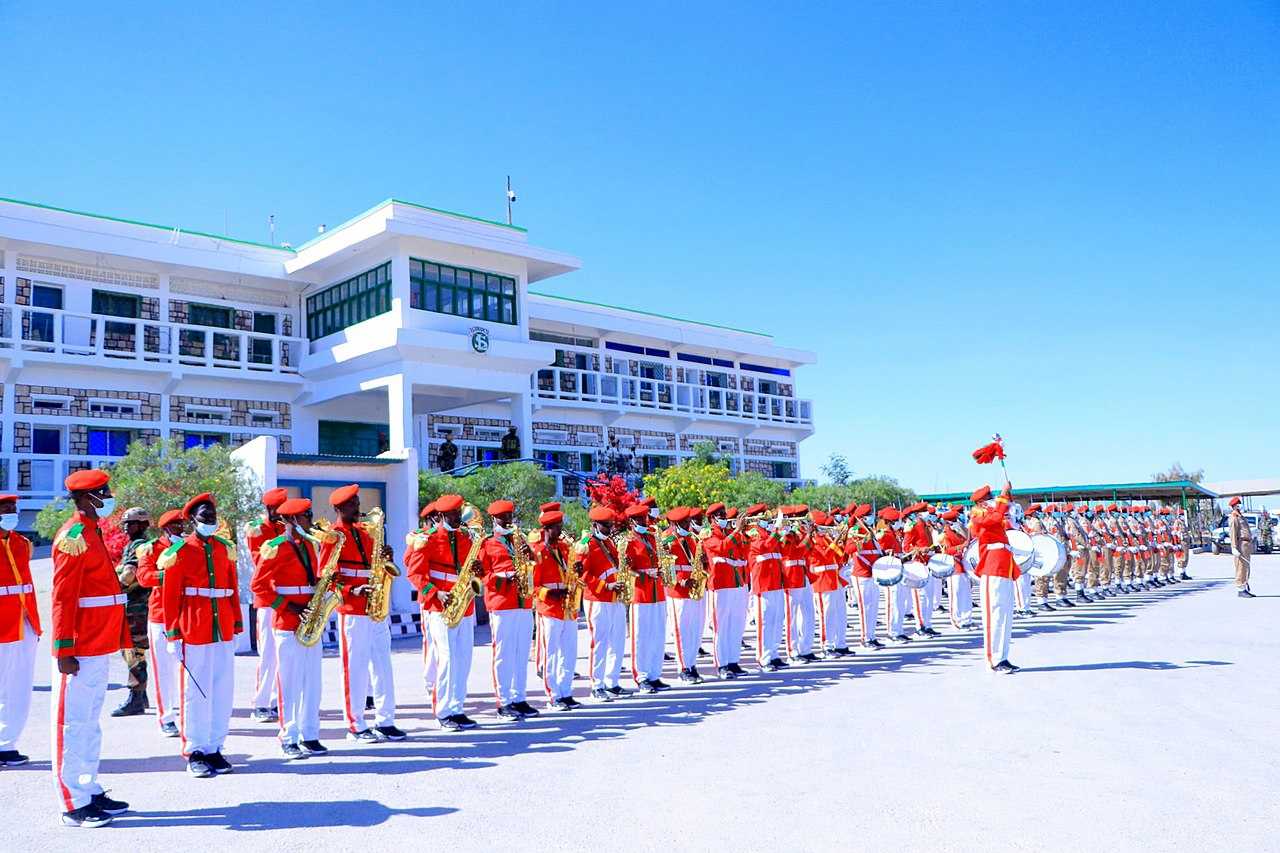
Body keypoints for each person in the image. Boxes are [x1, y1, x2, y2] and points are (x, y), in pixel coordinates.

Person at [50, 468, 131, 827]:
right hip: (81, 643)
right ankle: (73, 801)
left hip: (100, 640)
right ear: (86, 498)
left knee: (89, 723)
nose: (109, 496)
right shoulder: (75, 535)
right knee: (73, 723)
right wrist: (64, 648)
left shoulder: (93, 531)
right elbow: (63, 596)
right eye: (104, 491)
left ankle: (88, 787)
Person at [160, 493, 242, 777]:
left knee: (221, 689)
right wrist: (172, 634)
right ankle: (194, 749)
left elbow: (232, 587)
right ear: (192, 520)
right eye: (205, 517)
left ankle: (214, 747)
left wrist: (237, 623)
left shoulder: (224, 548)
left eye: (213, 517)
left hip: (222, 628)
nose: (210, 521)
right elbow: (170, 597)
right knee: (195, 692)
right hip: (194, 626)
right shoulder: (179, 552)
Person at [323, 485, 405, 742]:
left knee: (383, 665)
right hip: (353, 609)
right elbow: (326, 577)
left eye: (357, 503)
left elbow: (375, 565)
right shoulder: (333, 536)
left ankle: (385, 720)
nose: (358, 508)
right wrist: (352, 589)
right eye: (351, 505)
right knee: (355, 668)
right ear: (338, 509)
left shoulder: (365, 532)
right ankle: (355, 723)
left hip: (376, 608)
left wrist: (385, 558)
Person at [251, 497, 328, 759]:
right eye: (307, 515)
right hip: (288, 619)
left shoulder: (309, 544)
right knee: (290, 681)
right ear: (293, 520)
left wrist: (324, 585)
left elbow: (311, 578)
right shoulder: (274, 547)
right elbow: (258, 586)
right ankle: (288, 736)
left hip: (311, 619)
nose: (311, 519)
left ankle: (310, 734)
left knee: (312, 681)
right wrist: (287, 606)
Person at [405, 494, 478, 731]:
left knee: (463, 658)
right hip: (439, 605)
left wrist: (479, 569)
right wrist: (435, 593)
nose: (459, 518)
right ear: (443, 516)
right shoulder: (427, 539)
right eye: (455, 515)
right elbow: (415, 574)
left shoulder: (466, 538)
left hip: (463, 604)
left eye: (460, 513)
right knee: (446, 658)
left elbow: (472, 569)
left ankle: (457, 707)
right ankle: (443, 710)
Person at [477, 499, 539, 719]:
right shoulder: (487, 543)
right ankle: (503, 702)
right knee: (504, 653)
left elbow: (534, 562)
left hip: (523, 602)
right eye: (503, 518)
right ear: (494, 519)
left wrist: (529, 554)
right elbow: (481, 573)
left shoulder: (518, 538)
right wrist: (501, 579)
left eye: (510, 517)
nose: (508, 521)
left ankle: (519, 698)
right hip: (501, 602)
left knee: (521, 652)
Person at [134, 509, 185, 737]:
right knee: (164, 669)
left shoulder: (188, 547)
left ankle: (187, 712)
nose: (181, 530)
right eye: (176, 526)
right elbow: (144, 577)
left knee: (185, 668)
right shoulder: (152, 549)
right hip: (161, 615)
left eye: (182, 525)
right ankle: (166, 717)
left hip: (186, 614)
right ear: (166, 528)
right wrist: (170, 576)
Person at [0, 493, 39, 767]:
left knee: (19, 687)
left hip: (25, 622)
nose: (12, 512)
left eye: (13, 507)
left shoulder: (23, 543)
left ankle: (6, 743)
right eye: (5, 508)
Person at [576, 505, 630, 700]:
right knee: (599, 643)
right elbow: (583, 574)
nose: (610, 528)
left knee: (617, 641)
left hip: (615, 597)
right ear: (595, 525)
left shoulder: (610, 543)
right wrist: (605, 587)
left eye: (611, 524)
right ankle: (596, 685)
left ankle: (612, 682)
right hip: (597, 598)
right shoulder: (586, 544)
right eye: (606, 525)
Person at [245, 487, 288, 723]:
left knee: (284, 653)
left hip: (288, 595)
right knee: (268, 653)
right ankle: (261, 703)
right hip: (268, 598)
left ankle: (276, 700)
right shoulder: (257, 529)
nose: (280, 514)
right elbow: (260, 559)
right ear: (269, 509)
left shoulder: (284, 528)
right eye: (276, 510)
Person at [533, 510, 581, 709]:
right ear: (546, 529)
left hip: (568, 606)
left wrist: (578, 570)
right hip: (549, 607)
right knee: (551, 653)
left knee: (569, 652)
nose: (560, 531)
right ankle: (553, 695)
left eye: (561, 526)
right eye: (557, 528)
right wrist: (548, 593)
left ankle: (565, 691)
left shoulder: (564, 547)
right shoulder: (537, 551)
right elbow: (532, 585)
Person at [970, 483, 1019, 673]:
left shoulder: (993, 513)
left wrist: (1007, 497)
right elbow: (995, 517)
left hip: (1004, 566)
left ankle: (1003, 657)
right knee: (994, 615)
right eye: (989, 497)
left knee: (1005, 615)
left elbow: (1005, 516)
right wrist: (1003, 496)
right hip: (992, 567)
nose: (993, 499)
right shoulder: (978, 515)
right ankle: (994, 659)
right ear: (981, 502)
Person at [111, 507, 152, 717]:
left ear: (143, 525)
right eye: (125, 523)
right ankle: (141, 695)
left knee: (133, 651)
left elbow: (129, 575)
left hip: (137, 607)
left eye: (132, 523)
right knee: (136, 651)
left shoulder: (139, 545)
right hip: (137, 607)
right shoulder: (135, 545)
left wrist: (109, 587)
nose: (126, 527)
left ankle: (135, 697)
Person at [703, 504, 751, 677]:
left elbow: (746, 550)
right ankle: (721, 664)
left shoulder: (732, 533)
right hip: (720, 586)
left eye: (724, 514)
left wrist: (742, 532)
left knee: (736, 626)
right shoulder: (708, 535)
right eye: (720, 515)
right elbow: (722, 547)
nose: (724, 517)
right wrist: (736, 531)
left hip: (738, 584)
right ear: (712, 519)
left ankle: (733, 661)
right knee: (721, 627)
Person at [747, 504, 788, 671]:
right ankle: (763, 658)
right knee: (764, 623)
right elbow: (763, 547)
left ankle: (774, 654)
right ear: (756, 519)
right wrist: (776, 531)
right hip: (763, 584)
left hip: (776, 582)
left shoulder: (771, 534)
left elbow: (782, 551)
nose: (768, 520)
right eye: (764, 518)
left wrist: (783, 534)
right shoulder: (753, 533)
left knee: (777, 620)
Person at [780, 505, 819, 662]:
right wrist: (807, 535)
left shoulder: (799, 534)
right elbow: (796, 551)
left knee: (809, 614)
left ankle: (806, 648)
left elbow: (810, 551)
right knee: (792, 617)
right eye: (800, 518)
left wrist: (809, 535)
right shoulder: (786, 535)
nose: (803, 520)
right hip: (791, 577)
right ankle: (792, 651)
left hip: (803, 575)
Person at [807, 511, 849, 657]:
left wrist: (843, 540)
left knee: (840, 614)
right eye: (826, 526)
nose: (829, 528)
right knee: (827, 615)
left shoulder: (826, 539)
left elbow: (839, 557)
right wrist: (836, 539)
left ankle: (840, 644)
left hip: (835, 579)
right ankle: (827, 646)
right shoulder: (814, 540)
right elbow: (824, 557)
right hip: (822, 580)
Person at [845, 504, 883, 648]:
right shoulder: (855, 530)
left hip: (874, 572)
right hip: (862, 573)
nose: (871, 517)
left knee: (873, 606)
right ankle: (864, 638)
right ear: (861, 518)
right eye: (868, 515)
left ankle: (871, 636)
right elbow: (849, 549)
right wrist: (863, 541)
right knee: (865, 607)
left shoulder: (870, 531)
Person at [937, 508, 974, 629]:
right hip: (954, 566)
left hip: (963, 566)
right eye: (953, 520)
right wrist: (961, 546)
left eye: (956, 519)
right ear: (948, 522)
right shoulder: (945, 534)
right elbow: (947, 550)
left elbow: (969, 542)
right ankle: (956, 620)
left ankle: (967, 619)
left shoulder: (959, 531)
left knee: (966, 594)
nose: (956, 522)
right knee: (955, 594)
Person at [1228, 497, 1255, 598]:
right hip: (1240, 544)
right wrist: (1234, 547)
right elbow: (1233, 533)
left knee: (1246, 566)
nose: (1241, 506)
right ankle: (1240, 589)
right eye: (1239, 504)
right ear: (1235, 506)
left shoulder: (1240, 516)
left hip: (1246, 544)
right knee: (1241, 567)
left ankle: (1244, 587)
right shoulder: (1234, 517)